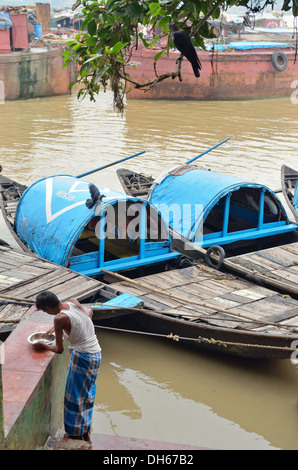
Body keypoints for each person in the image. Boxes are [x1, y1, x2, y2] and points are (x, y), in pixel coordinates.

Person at [33, 290, 101, 443]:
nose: (47, 314)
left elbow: (59, 349)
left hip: (83, 357)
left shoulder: (59, 319)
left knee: (74, 396)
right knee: (87, 393)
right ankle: (85, 430)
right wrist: (55, 329)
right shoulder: (73, 301)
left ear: (48, 307)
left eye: (45, 311)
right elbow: (85, 317)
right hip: (96, 354)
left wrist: (43, 344)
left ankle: (74, 434)